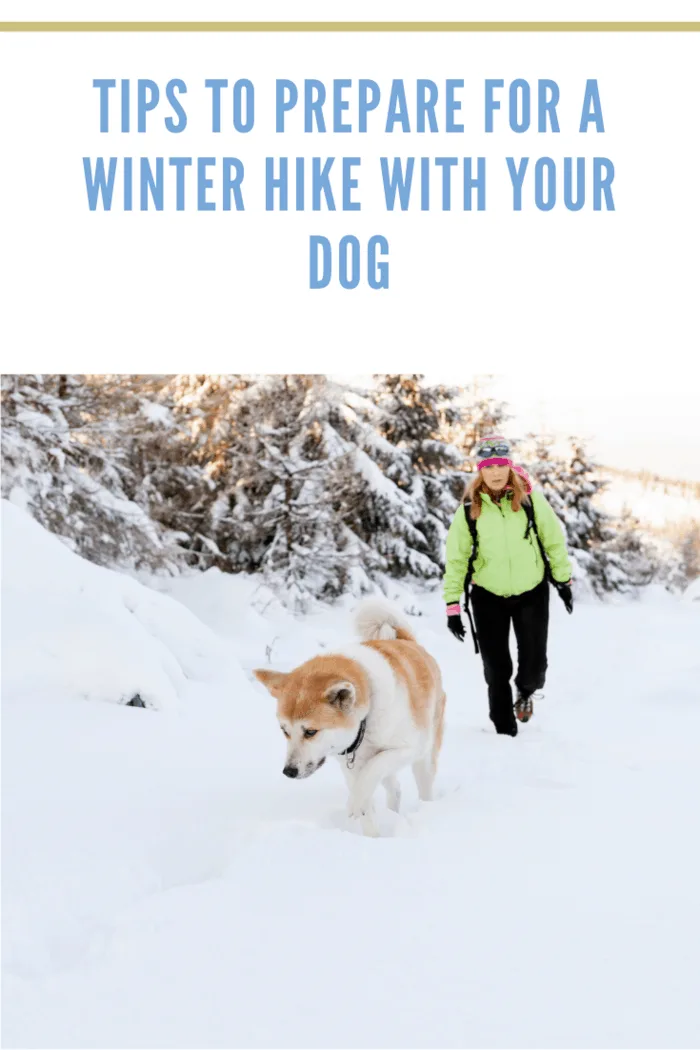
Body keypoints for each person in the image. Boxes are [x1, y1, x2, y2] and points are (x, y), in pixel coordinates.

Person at [443, 436, 573, 736]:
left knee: (534, 666)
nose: (497, 472)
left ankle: (525, 692)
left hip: (532, 592)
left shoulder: (530, 501)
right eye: (490, 467)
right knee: (496, 669)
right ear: (481, 471)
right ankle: (504, 731)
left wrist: (563, 581)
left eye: (502, 465)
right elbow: (456, 559)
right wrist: (452, 606)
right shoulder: (468, 510)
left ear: (510, 466)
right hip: (488, 596)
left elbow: (554, 541)